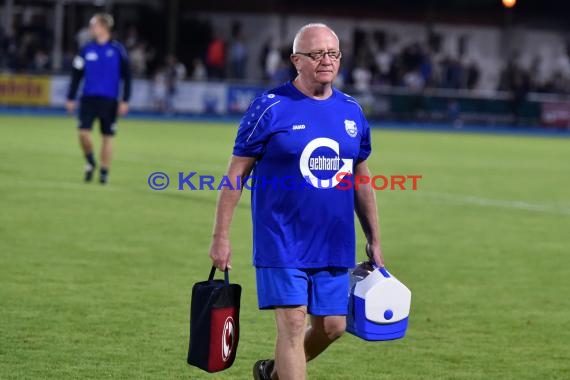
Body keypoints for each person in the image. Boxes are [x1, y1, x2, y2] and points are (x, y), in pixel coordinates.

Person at [208, 23, 385, 380]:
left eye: (332, 53)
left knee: (333, 326)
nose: (326, 61)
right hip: (282, 239)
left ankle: (273, 374)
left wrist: (374, 238)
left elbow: (362, 180)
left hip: (334, 242)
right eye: (316, 54)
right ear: (296, 60)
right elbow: (234, 175)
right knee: (291, 324)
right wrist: (220, 236)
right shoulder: (270, 108)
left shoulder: (352, 111)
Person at [66, 13, 131, 184]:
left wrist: (125, 99)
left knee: (107, 137)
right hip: (88, 98)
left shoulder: (118, 50)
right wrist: (71, 97)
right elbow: (76, 75)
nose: (91, 29)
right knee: (83, 134)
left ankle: (104, 171)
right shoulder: (86, 49)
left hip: (109, 100)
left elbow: (128, 76)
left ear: (103, 27)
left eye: (93, 25)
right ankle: (90, 160)